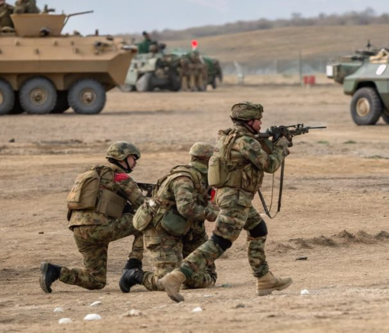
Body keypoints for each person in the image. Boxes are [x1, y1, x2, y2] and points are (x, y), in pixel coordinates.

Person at [158, 102, 292, 302]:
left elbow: (247, 160)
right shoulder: (246, 142)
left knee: (258, 229)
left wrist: (270, 142)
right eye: (259, 120)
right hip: (236, 199)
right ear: (249, 121)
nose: (261, 123)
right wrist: (281, 146)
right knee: (220, 242)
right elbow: (270, 164)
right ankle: (177, 276)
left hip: (232, 196)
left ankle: (264, 278)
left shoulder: (227, 137)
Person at [40, 142, 145, 293]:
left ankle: (55, 271)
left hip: (79, 230)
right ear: (122, 157)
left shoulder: (94, 175)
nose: (135, 162)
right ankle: (133, 265)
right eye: (133, 158)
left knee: (96, 280)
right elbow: (143, 206)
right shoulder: (120, 177)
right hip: (99, 228)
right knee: (147, 220)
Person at [119, 143, 219, 293]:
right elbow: (186, 208)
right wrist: (213, 213)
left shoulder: (203, 179)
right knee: (168, 281)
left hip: (185, 230)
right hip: (161, 232)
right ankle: (134, 275)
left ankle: (185, 273)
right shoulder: (184, 179)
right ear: (208, 160)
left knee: (202, 279)